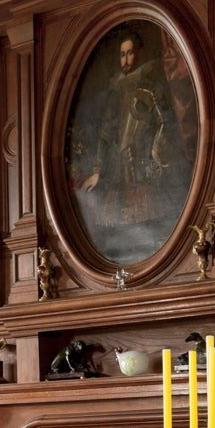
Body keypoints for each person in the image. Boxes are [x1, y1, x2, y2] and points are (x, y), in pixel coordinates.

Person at [73, 26, 189, 262]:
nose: (126, 60)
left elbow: (166, 122)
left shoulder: (152, 88)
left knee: (151, 226)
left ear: (139, 54)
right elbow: (105, 134)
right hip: (118, 172)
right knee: (116, 235)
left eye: (130, 53)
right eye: (122, 54)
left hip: (143, 169)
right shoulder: (114, 92)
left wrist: (156, 150)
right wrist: (97, 172)